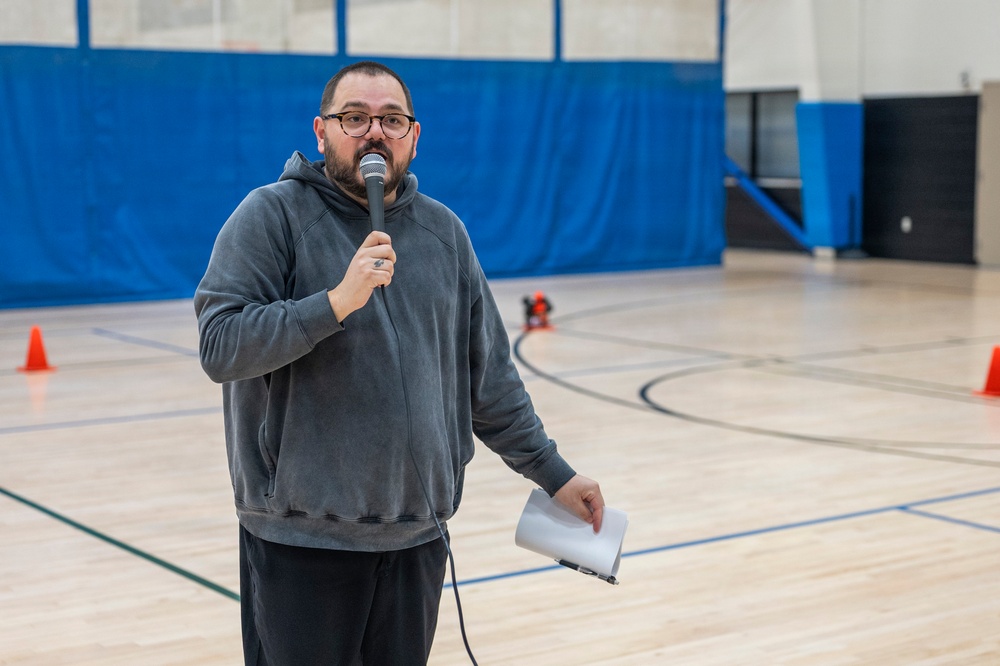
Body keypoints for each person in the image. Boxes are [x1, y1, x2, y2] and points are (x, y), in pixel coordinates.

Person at [194, 60, 604, 665]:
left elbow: (489, 382)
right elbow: (221, 345)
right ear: (321, 131)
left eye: (390, 119)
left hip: (417, 534)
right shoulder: (270, 216)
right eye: (354, 118)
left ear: (414, 135)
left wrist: (556, 475)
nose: (373, 133)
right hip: (301, 537)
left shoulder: (445, 233)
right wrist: (336, 303)